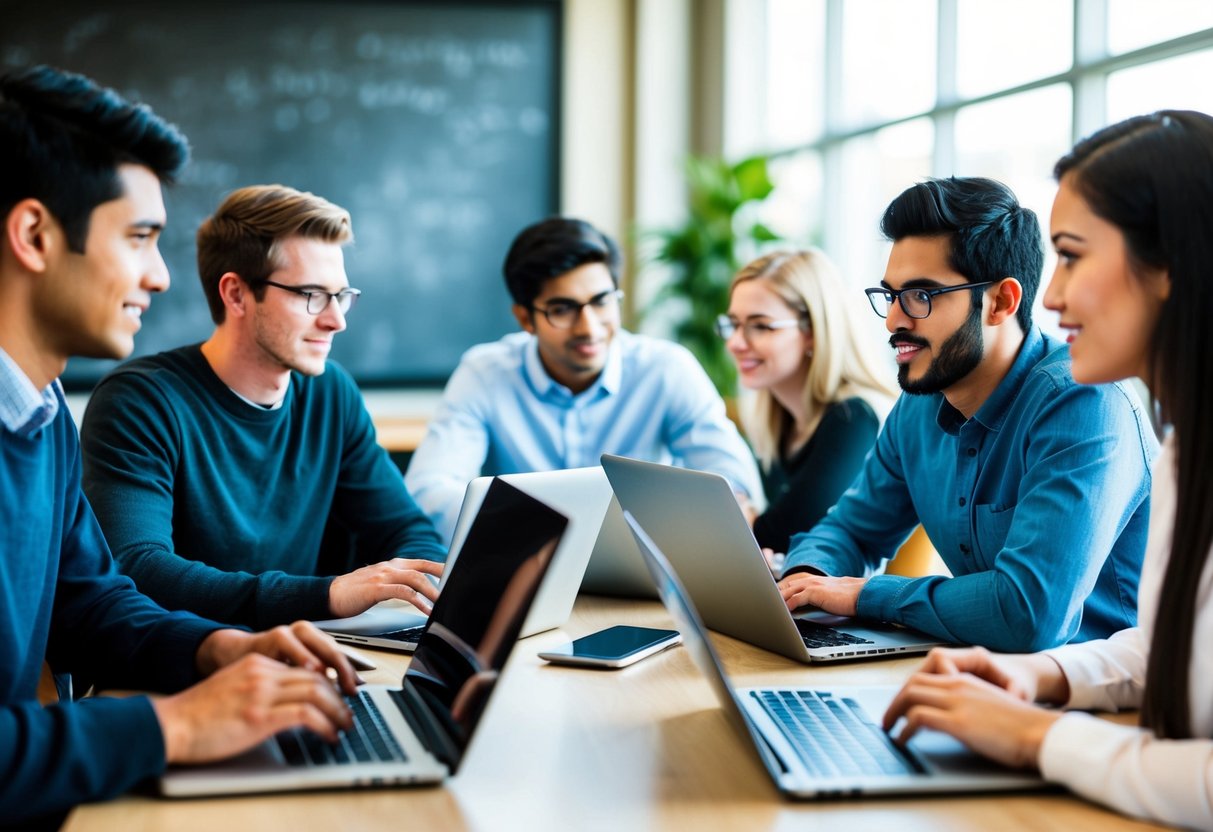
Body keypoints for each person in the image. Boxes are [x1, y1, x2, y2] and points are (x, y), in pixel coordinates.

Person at [0, 65, 358, 828]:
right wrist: (178, 725)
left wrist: (219, 650)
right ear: (34, 235)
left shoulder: (40, 410)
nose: (161, 278)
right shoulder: (117, 403)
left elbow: (90, 602)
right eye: (138, 240)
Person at [883, 110, 1213, 830]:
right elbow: (1170, 650)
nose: (1051, 296)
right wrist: (1039, 676)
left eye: (1070, 255)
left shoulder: (1092, 408)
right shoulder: (1187, 444)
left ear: (1170, 265)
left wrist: (1036, 735)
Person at [777, 176, 1157, 652]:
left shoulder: (1084, 403)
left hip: (1107, 700)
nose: (895, 319)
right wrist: (806, 580)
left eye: (922, 296)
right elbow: (850, 530)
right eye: (891, 295)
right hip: (987, 678)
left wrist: (867, 594)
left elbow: (1028, 613)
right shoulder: (918, 405)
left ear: (1001, 302)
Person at [80, 184, 446, 630]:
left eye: (342, 295)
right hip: (183, 667)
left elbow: (407, 532)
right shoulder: (140, 401)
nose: (336, 319)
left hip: (306, 653)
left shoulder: (332, 393)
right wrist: (325, 595)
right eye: (311, 295)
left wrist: (416, 593)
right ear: (235, 294)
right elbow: (137, 566)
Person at [405, 216, 763, 540]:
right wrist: (541, 530)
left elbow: (733, 483)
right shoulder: (484, 373)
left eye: (602, 301)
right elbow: (430, 493)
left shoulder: (666, 369)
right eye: (562, 309)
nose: (589, 327)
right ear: (525, 318)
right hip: (528, 568)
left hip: (647, 576)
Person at [719, 249, 896, 554]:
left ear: (813, 330)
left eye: (760, 326)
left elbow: (779, 536)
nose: (735, 343)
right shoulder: (777, 420)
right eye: (733, 324)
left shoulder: (853, 418)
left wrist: (746, 519)